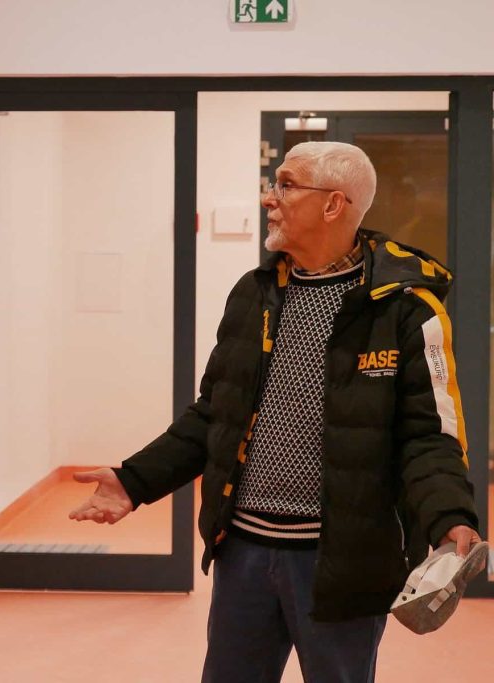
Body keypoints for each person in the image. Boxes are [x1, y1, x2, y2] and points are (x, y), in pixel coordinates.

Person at [70, 141, 482, 683]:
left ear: (333, 204)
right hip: (243, 553)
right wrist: (134, 481)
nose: (269, 198)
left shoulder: (406, 308)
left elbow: (430, 435)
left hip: (343, 560)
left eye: (286, 185)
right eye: (273, 184)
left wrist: (450, 516)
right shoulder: (254, 294)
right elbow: (214, 415)